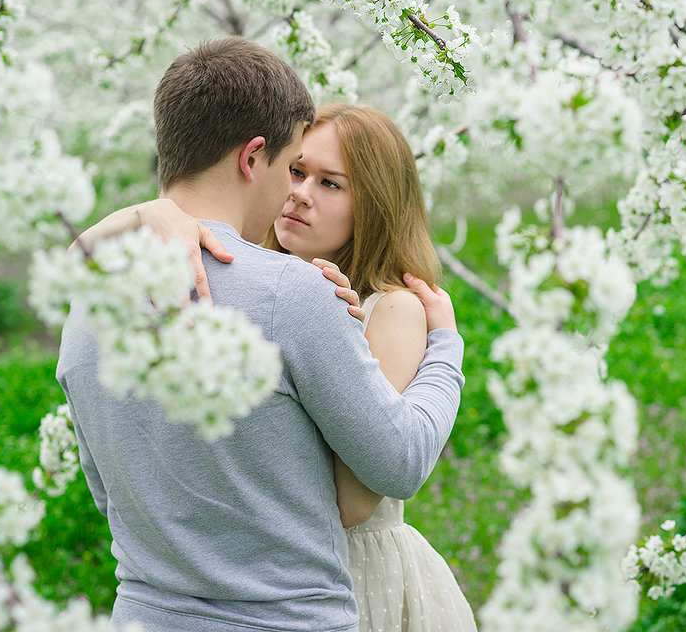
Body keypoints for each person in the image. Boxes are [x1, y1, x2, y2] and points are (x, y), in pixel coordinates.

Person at [56, 38, 465, 632]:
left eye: (327, 182)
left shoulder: (85, 298)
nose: (294, 193)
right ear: (254, 158)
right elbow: (398, 463)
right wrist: (446, 349)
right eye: (292, 167)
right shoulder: (294, 292)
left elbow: (109, 492)